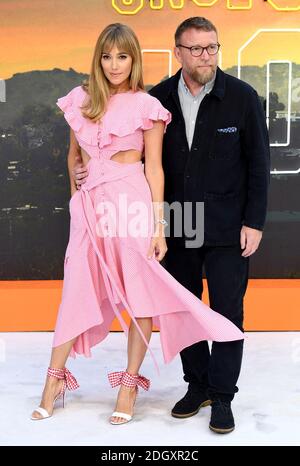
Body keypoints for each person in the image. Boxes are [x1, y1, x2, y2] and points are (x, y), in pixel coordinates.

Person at [37, 22, 244, 427]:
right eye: (107, 56)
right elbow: (73, 155)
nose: (114, 65)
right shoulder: (80, 99)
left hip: (130, 203)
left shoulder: (147, 106)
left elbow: (156, 171)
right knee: (75, 290)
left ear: (134, 59)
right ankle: (53, 382)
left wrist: (158, 228)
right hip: (89, 208)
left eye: (123, 56)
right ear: (98, 59)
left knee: (140, 295)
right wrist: (76, 181)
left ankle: (129, 384)